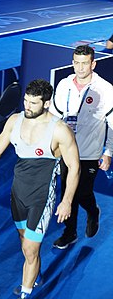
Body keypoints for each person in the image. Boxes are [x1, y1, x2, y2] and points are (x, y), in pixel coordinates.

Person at [0, 79, 80, 299]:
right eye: (26, 101)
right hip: (17, 193)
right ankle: (35, 271)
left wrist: (66, 200)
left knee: (30, 249)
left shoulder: (60, 130)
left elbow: (74, 167)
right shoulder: (15, 121)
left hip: (41, 197)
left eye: (33, 103)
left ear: (47, 104)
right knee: (24, 241)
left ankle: (26, 293)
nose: (27, 106)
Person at [50, 45, 113, 250]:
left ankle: (93, 210)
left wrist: (108, 152)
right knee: (68, 191)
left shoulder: (105, 89)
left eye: (84, 63)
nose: (79, 68)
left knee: (81, 191)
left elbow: (112, 124)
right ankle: (69, 233)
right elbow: (54, 117)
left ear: (93, 64)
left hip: (90, 152)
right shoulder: (63, 85)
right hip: (66, 150)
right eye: (76, 62)